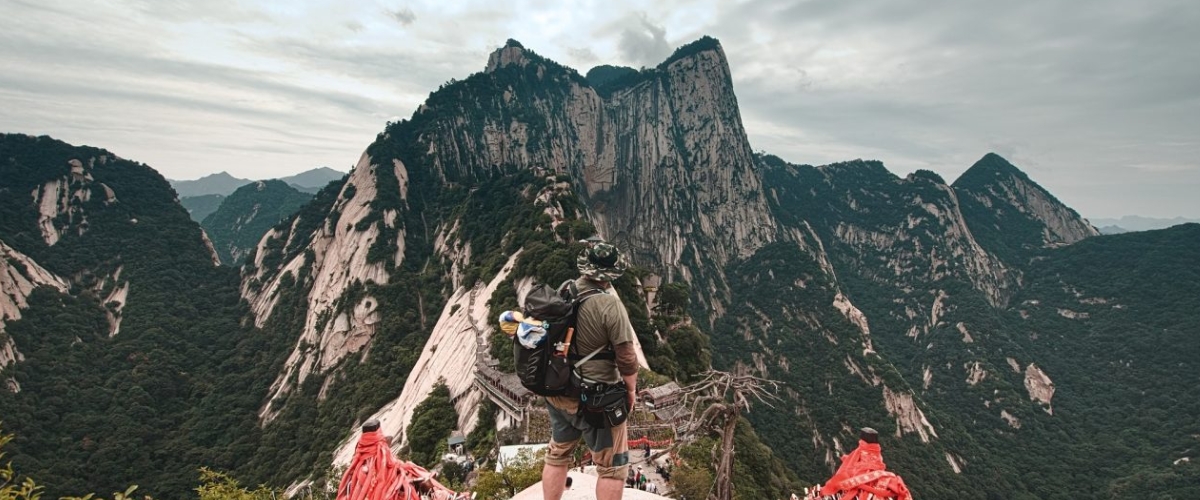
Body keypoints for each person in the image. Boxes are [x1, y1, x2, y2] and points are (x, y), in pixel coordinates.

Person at [541, 242, 639, 500]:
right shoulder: (610, 306)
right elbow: (627, 359)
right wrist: (631, 391)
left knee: (557, 454)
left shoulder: (564, 290)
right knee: (612, 467)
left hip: (558, 389)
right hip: (595, 400)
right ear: (612, 274)